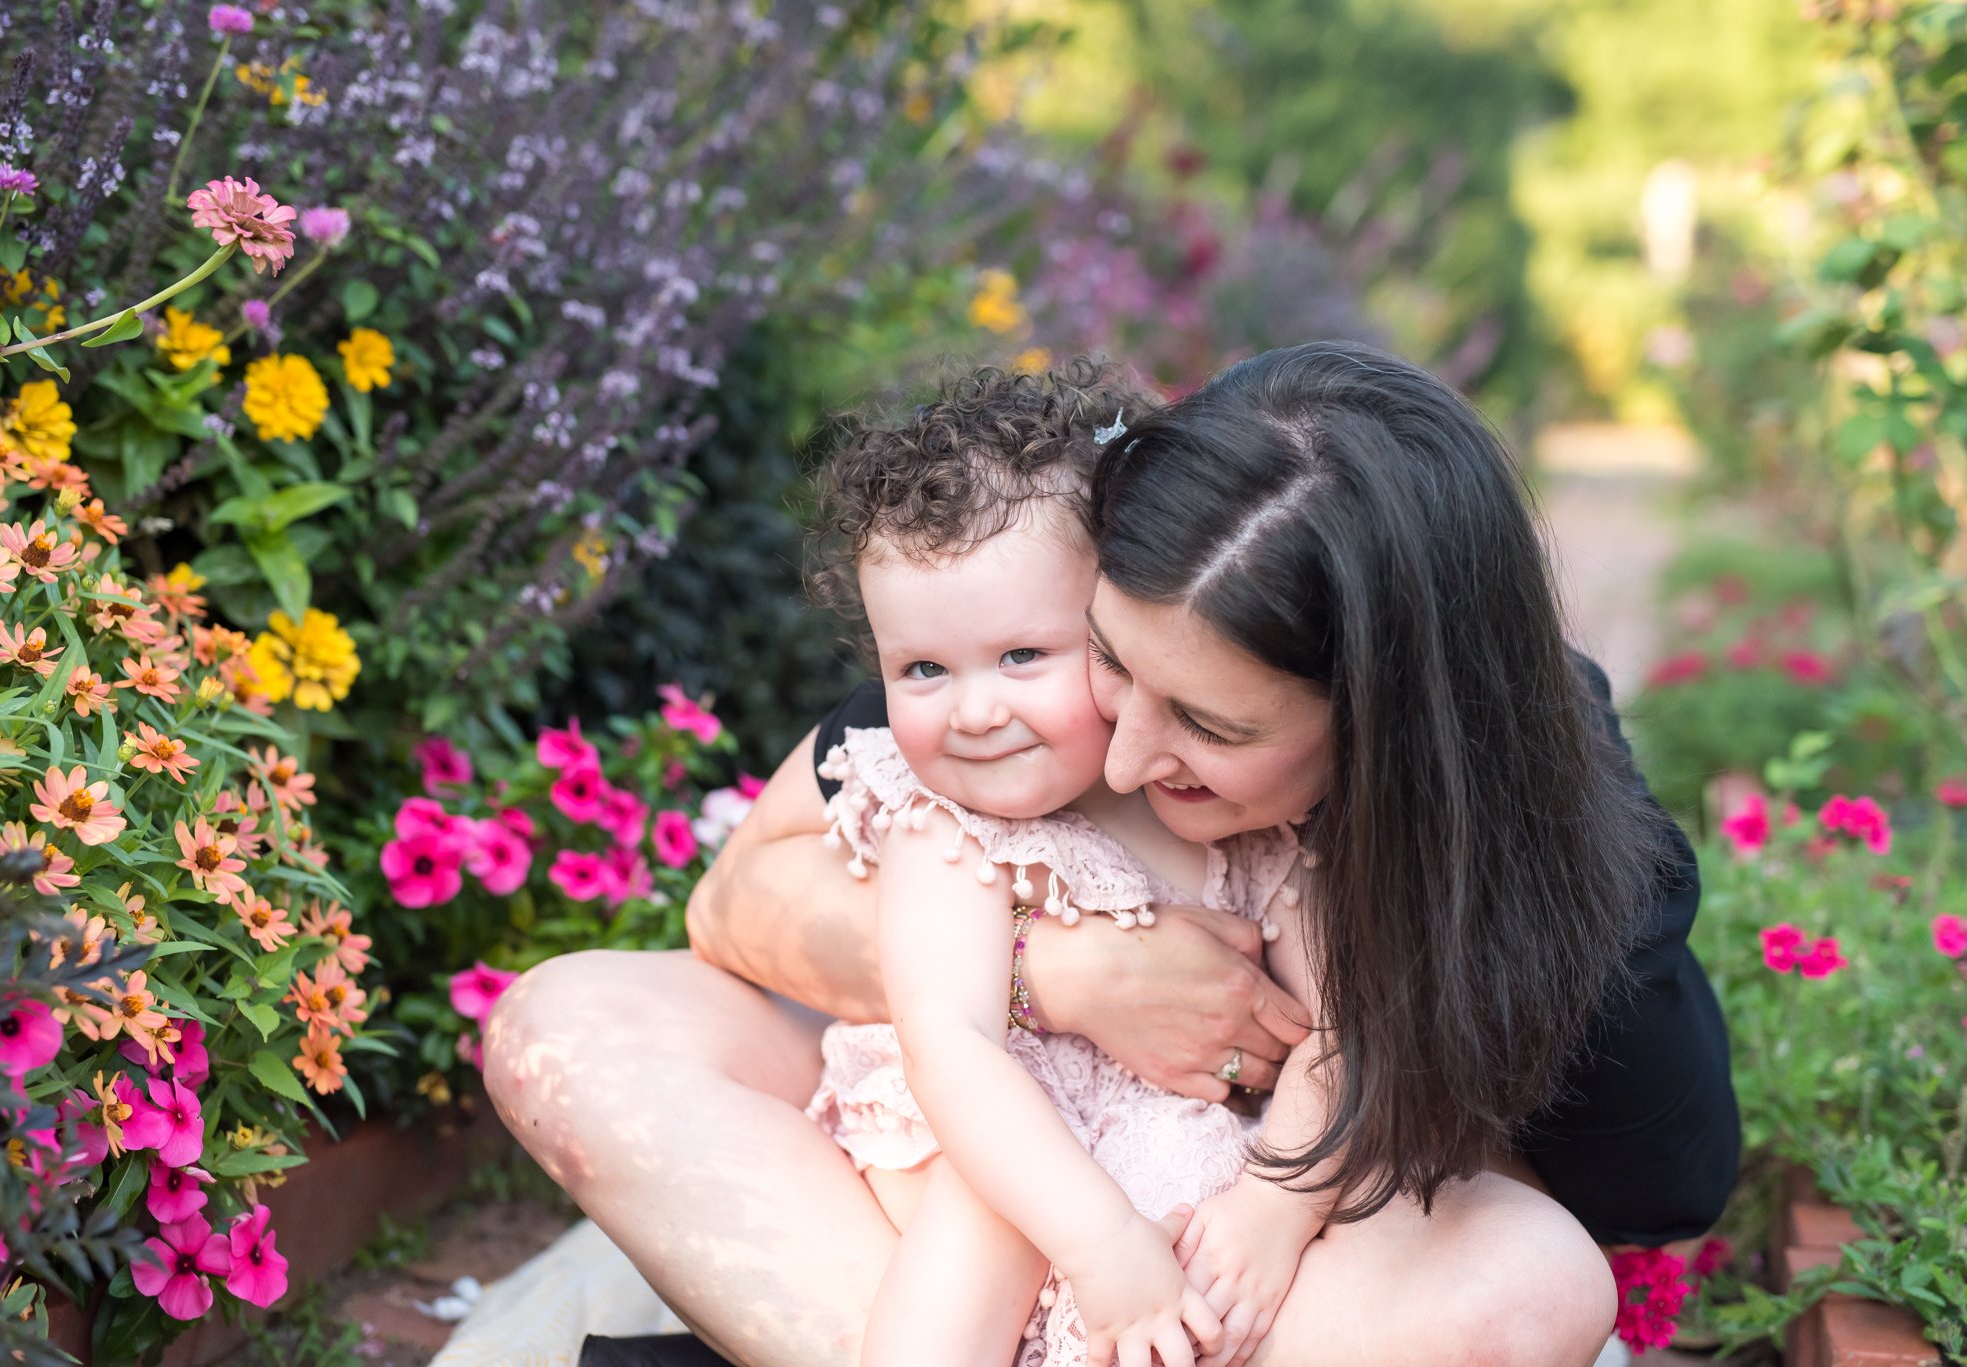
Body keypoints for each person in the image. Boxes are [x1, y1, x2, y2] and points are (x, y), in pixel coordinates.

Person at [485, 342, 1739, 1367]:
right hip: (989, 1194)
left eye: (1206, 722)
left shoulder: (1550, 848)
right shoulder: (1020, 672)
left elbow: (1634, 1179)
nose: (1127, 755)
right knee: (574, 1019)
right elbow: (739, 899)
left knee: (1528, 1281)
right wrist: (1058, 972)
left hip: (1259, 1249)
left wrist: (1272, 1194)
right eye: (1112, 661)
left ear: (1379, 725)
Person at [799, 363, 1311, 1367]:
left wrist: (1274, 1207)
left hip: (1185, 1133)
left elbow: (1341, 1029)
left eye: (1022, 655)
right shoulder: (946, 825)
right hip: (996, 1136)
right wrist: (1100, 1242)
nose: (974, 710)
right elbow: (952, 1046)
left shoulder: (1233, 805)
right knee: (987, 1215)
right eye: (922, 669)